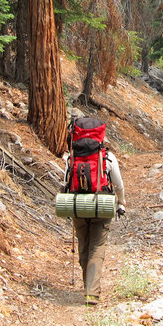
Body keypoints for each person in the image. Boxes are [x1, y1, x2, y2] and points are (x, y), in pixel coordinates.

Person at [64, 115, 126, 306]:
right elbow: (119, 185)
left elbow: (66, 181)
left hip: (78, 206)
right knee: (97, 248)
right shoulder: (108, 157)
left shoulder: (72, 157)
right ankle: (92, 292)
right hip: (102, 204)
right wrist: (121, 204)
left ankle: (87, 286)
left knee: (83, 244)